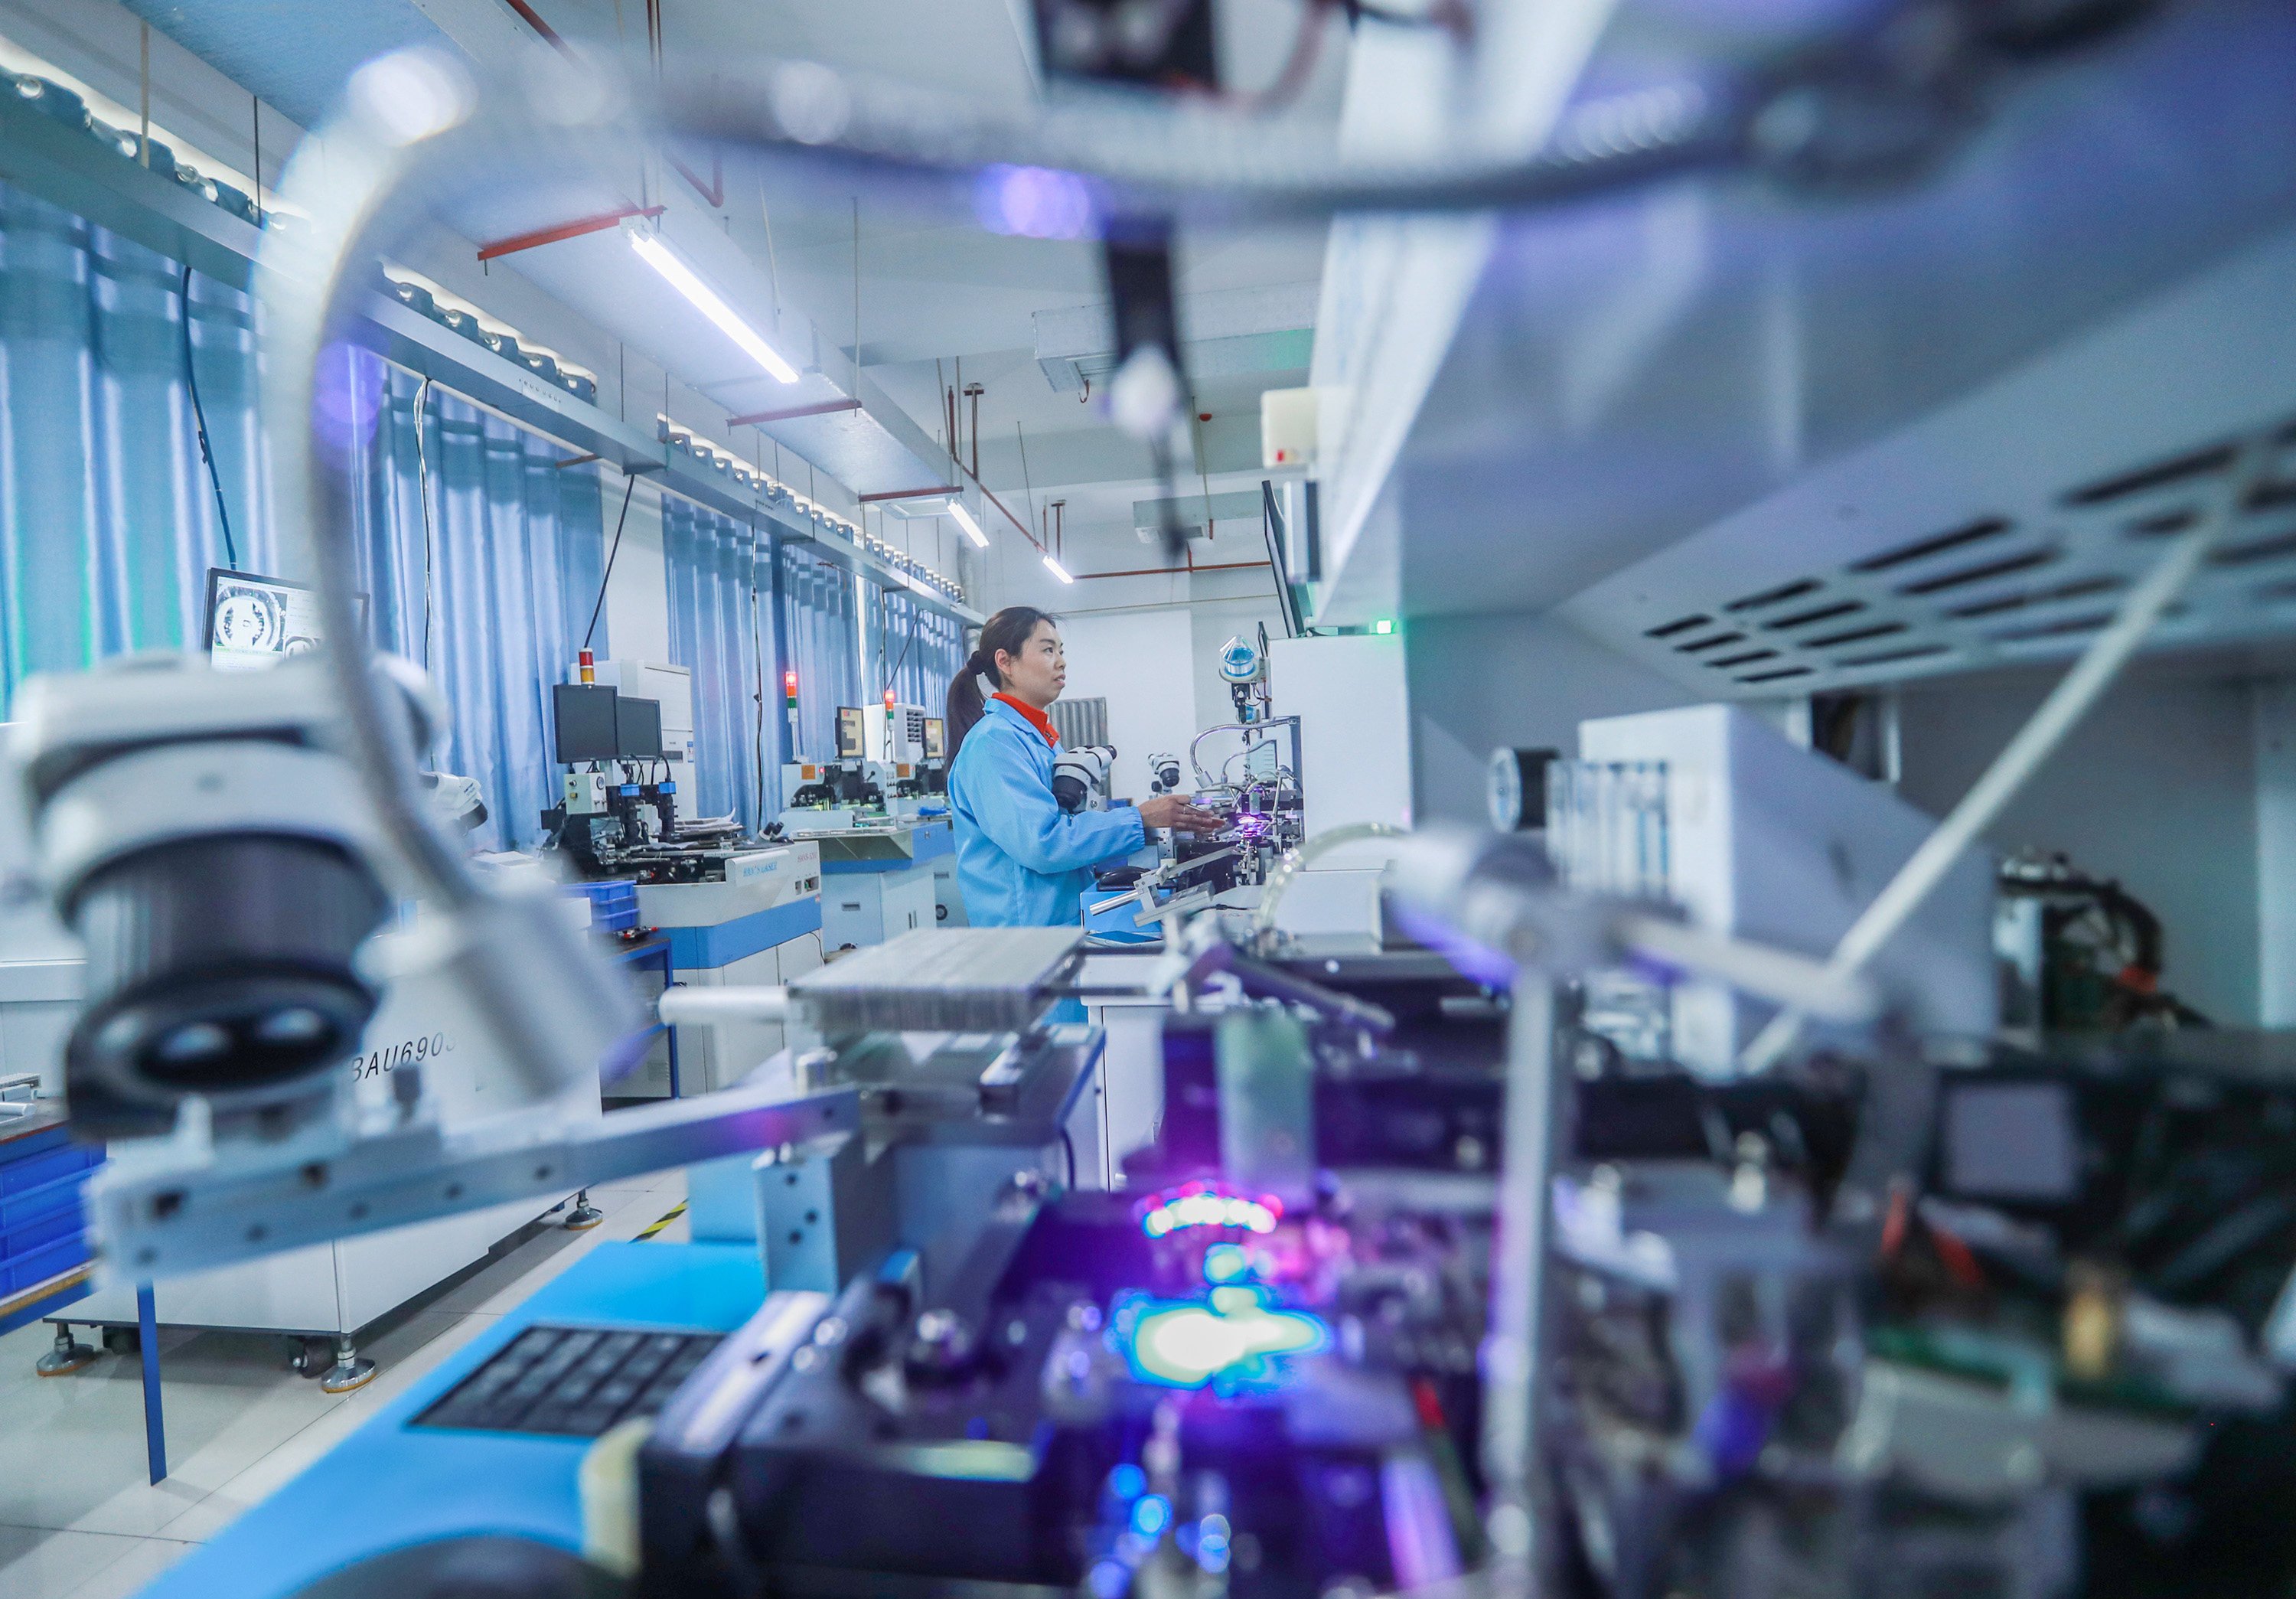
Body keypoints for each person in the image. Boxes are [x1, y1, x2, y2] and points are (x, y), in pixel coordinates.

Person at [946, 607, 1223, 927]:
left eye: (1061, 651)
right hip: (1026, 936)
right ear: (1005, 662)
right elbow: (1043, 845)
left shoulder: (1038, 739)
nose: (1061, 662)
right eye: (1048, 650)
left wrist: (1158, 824)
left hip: (1062, 924)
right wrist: (1139, 818)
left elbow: (1070, 828)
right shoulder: (993, 743)